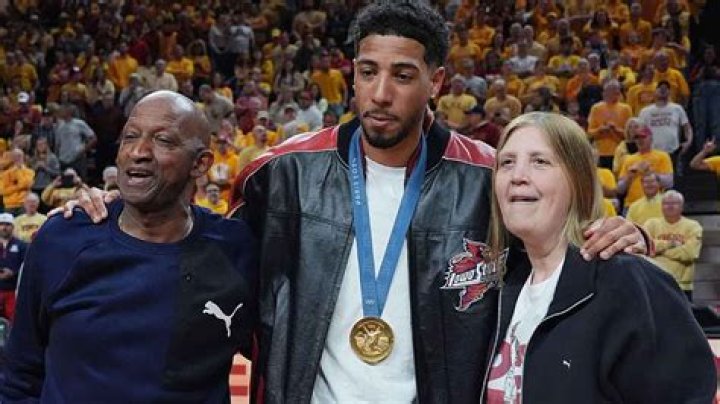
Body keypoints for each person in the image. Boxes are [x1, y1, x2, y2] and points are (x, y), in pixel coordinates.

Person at [58, 4, 645, 403]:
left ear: (437, 82)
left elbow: (559, 253)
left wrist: (625, 236)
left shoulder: (488, 176)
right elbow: (195, 242)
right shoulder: (280, 174)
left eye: (403, 75)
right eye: (368, 72)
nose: (381, 93)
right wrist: (119, 205)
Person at [0, 91, 258, 402]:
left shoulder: (236, 248)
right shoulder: (63, 239)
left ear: (200, 163)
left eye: (163, 140)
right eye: (130, 137)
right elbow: (19, 377)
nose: (138, 152)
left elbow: (285, 355)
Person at [483, 112, 715, 403]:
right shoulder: (500, 286)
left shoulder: (627, 280)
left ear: (578, 180)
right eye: (507, 162)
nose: (517, 176)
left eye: (540, 161)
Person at [644, 190, 703, 301]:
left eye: (674, 203)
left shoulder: (693, 226)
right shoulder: (651, 224)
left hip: (682, 285)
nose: (670, 206)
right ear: (661, 206)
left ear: (682, 207)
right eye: (666, 203)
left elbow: (690, 254)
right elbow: (645, 247)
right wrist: (671, 244)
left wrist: (659, 250)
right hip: (655, 282)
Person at [0, 212, 27, 321]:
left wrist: (13, 273)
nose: (4, 227)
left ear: (13, 226)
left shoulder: (22, 245)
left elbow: (26, 266)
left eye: (7, 224)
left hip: (14, 291)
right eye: (1, 224)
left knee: (14, 321)